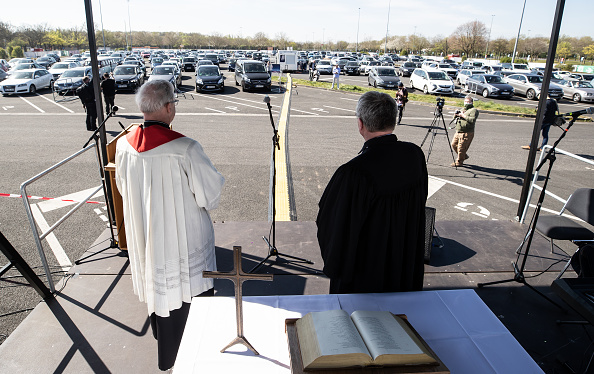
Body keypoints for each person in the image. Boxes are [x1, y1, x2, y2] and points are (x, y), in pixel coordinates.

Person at [115, 80, 225, 371]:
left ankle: (164, 343)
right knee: (188, 301)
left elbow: (123, 189)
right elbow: (210, 196)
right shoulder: (185, 148)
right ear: (168, 107)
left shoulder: (123, 145)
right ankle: (190, 358)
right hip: (182, 239)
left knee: (161, 293)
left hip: (148, 237)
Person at [316, 91, 428, 294]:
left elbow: (333, 227)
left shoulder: (353, 173)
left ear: (360, 124)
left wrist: (334, 268)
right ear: (393, 120)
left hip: (364, 282)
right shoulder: (414, 155)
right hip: (404, 270)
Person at [451, 95, 478, 167]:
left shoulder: (473, 110)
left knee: (461, 148)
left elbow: (472, 120)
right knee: (453, 144)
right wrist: (456, 114)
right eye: (465, 102)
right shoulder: (463, 109)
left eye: (468, 102)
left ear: (472, 103)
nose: (466, 103)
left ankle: (459, 162)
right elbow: (455, 117)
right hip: (458, 131)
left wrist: (463, 115)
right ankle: (463, 156)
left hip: (466, 132)